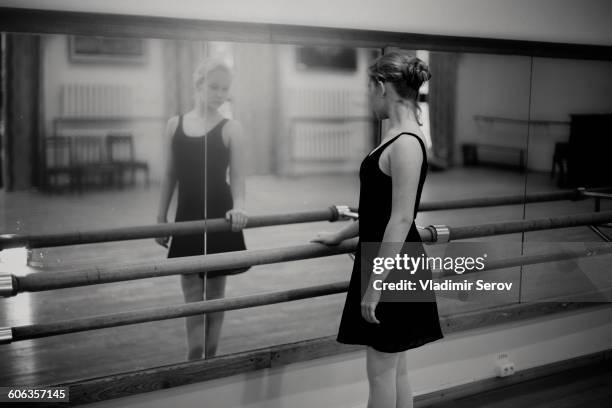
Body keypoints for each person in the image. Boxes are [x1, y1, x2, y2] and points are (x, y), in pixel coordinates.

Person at [312, 51, 444, 408]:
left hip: (393, 265)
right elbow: (376, 210)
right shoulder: (398, 137)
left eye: (369, 89)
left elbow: (400, 219)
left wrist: (376, 286)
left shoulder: (405, 144)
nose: (367, 98)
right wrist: (338, 235)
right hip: (389, 261)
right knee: (395, 369)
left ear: (382, 87)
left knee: (382, 373)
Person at [156, 57, 249, 360]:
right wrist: (160, 217)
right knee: (192, 296)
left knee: (214, 296)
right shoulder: (175, 125)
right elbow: (170, 175)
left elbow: (237, 177)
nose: (220, 94)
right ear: (198, 85)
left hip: (219, 215)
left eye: (225, 89)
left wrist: (240, 207)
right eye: (213, 87)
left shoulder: (231, 128)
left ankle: (210, 356)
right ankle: (194, 357)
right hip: (186, 216)